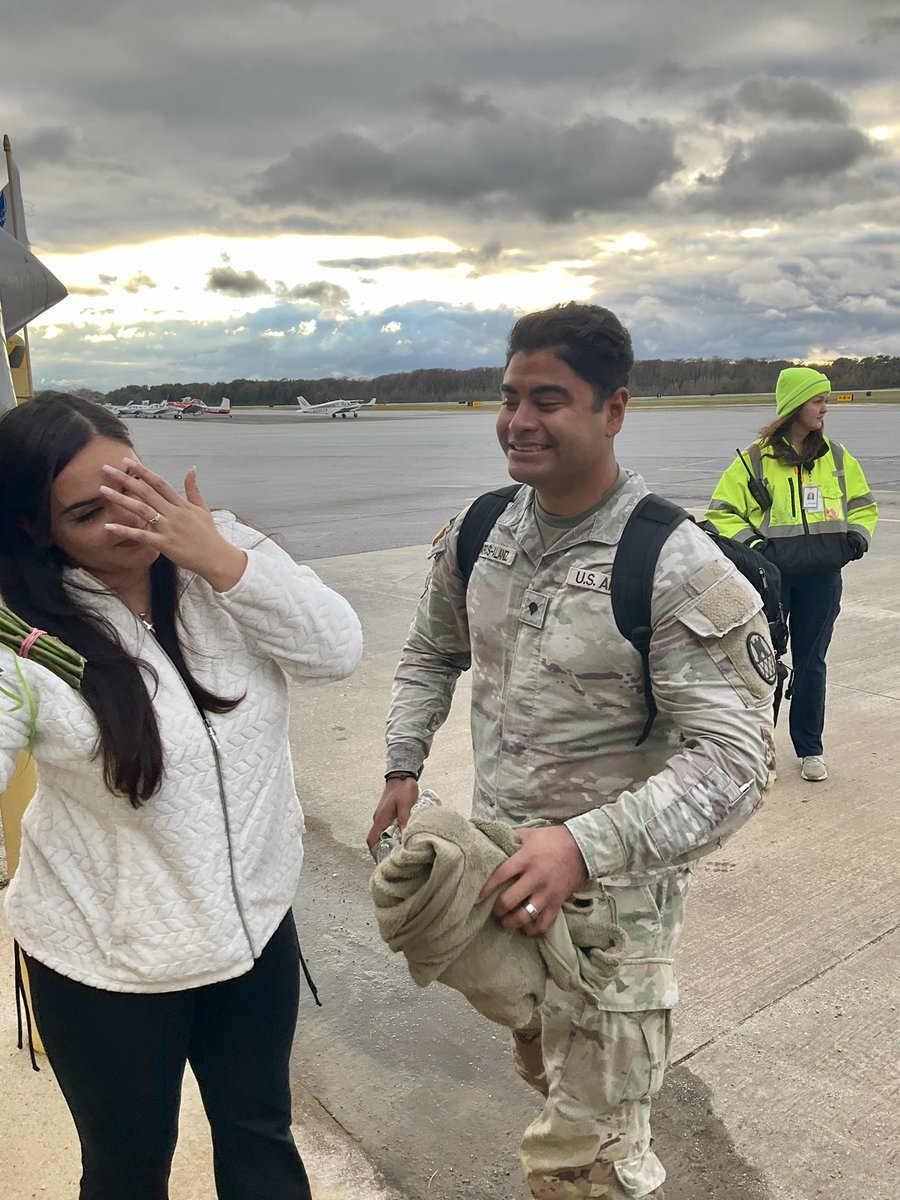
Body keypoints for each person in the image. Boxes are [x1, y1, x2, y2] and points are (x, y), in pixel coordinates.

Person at [367, 304, 775, 1200]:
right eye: (509, 397)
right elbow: (431, 651)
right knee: (542, 1079)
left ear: (613, 410)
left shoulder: (672, 564)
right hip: (505, 895)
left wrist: (581, 843)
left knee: (585, 1166)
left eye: (548, 399)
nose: (519, 421)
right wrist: (404, 764)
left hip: (612, 929)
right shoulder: (484, 531)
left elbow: (738, 761)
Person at [0, 393, 363, 1200]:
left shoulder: (225, 548)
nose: (131, 523)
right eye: (92, 512)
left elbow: (337, 650)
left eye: (137, 486)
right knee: (128, 1167)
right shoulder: (22, 632)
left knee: (261, 1137)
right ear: (34, 528)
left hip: (253, 933)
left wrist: (223, 564)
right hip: (108, 962)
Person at [705, 367, 877, 783]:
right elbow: (722, 515)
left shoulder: (837, 457)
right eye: (818, 401)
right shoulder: (753, 462)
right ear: (796, 406)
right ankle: (757, 747)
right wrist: (756, 550)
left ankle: (810, 747)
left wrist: (856, 539)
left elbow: (864, 505)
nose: (825, 409)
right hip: (772, 582)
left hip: (822, 578)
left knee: (812, 662)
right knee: (761, 664)